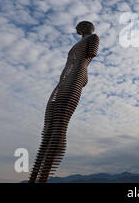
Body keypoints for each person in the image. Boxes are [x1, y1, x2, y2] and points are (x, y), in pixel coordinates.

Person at [29, 21, 99, 183]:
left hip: (75, 77)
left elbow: (86, 60)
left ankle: (43, 177)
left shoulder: (93, 38)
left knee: (59, 124)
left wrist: (80, 78)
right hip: (65, 81)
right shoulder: (79, 42)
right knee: (49, 125)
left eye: (78, 27)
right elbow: (70, 63)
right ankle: (34, 178)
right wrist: (61, 80)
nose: (76, 30)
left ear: (83, 28)